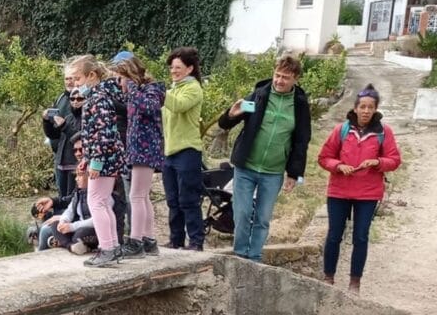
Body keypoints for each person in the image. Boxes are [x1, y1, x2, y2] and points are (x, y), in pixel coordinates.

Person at [216, 54, 312, 263]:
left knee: (262, 218)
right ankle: (240, 255)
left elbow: (301, 140)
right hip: (246, 167)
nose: (279, 80)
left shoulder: (299, 105)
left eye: (285, 77)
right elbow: (229, 121)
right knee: (242, 213)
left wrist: (294, 174)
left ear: (295, 78)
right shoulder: (259, 97)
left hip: (273, 171)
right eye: (277, 75)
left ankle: (255, 257)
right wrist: (230, 115)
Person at [316, 84, 402, 291]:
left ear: (375, 109)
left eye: (370, 107)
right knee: (334, 234)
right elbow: (324, 157)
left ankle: (355, 282)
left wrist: (377, 162)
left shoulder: (383, 132)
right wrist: (338, 166)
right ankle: (328, 277)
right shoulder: (342, 130)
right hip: (339, 190)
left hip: (368, 193)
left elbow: (394, 160)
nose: (365, 111)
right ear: (355, 108)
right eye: (362, 106)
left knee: (361, 236)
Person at [70, 54, 129, 267]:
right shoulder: (102, 95)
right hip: (108, 157)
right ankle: (113, 247)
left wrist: (96, 161)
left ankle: (107, 248)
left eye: (78, 78)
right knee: (102, 202)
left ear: (91, 75)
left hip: (104, 159)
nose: (76, 85)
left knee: (96, 202)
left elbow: (103, 132)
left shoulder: (98, 98)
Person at [111, 51, 164, 257]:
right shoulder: (136, 92)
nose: (119, 82)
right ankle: (149, 240)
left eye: (121, 77)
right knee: (143, 197)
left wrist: (131, 86)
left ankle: (135, 241)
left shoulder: (153, 89)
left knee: (137, 196)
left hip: (146, 149)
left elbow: (149, 107)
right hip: (135, 149)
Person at [161, 47, 206, 251]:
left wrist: (161, 93)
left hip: (187, 151)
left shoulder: (193, 88)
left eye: (178, 67)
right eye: (171, 67)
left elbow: (178, 106)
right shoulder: (172, 89)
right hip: (169, 152)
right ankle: (176, 240)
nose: (173, 71)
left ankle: (196, 241)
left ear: (189, 69)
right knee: (172, 200)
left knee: (188, 199)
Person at [38, 160, 96, 255]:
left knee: (79, 234)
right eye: (76, 175)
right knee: (55, 225)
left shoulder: (97, 195)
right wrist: (63, 221)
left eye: (80, 175)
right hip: (77, 226)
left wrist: (72, 226)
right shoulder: (78, 193)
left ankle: (62, 242)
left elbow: (96, 220)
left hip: (91, 229)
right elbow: (70, 210)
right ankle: (71, 246)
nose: (76, 179)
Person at [41, 66, 82, 200]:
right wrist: (46, 121)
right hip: (60, 158)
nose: (75, 101)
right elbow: (53, 133)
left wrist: (64, 126)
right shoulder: (60, 99)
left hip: (76, 160)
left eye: (72, 78)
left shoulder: (88, 109)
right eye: (67, 78)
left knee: (75, 198)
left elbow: (80, 135)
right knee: (62, 197)